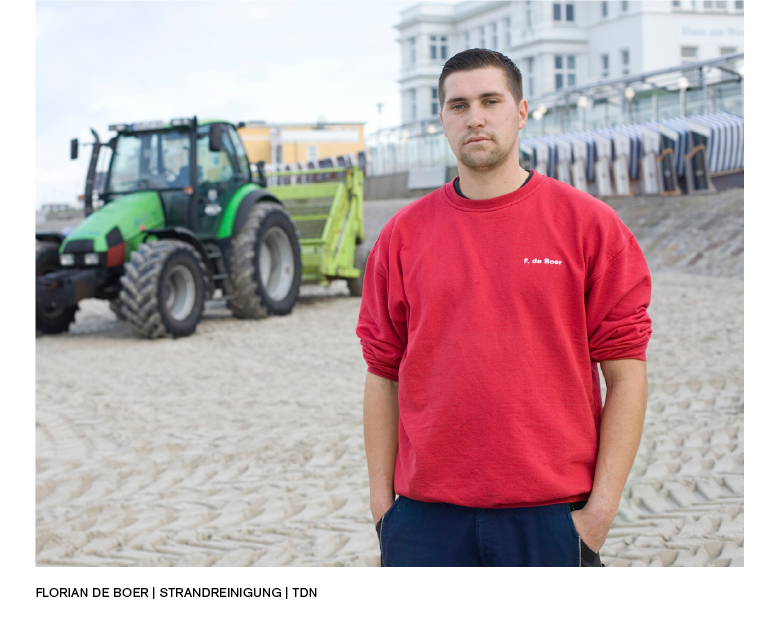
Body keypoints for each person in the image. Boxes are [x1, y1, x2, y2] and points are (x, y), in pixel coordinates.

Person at [356, 49, 652, 567]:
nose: (475, 117)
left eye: (491, 101)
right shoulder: (402, 236)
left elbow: (625, 375)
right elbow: (383, 374)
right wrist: (385, 510)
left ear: (520, 111)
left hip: (552, 516)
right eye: (458, 105)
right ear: (442, 119)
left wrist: (598, 515)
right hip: (425, 519)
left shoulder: (590, 226)